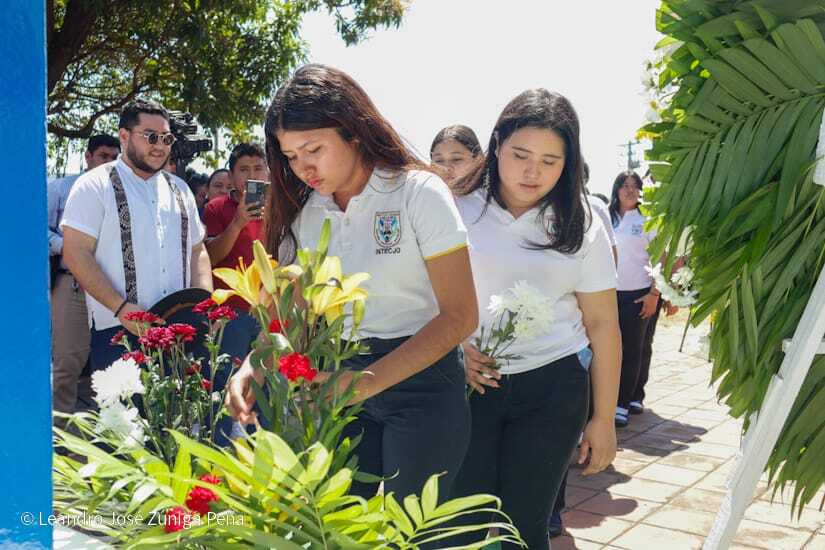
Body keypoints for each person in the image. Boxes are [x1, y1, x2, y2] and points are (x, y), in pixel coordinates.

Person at [225, 64, 477, 512]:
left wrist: (360, 384)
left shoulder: (418, 193)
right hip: (335, 373)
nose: (303, 167)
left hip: (420, 377)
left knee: (415, 531)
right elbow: (293, 315)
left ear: (353, 131)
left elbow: (459, 316)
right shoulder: (308, 215)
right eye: (289, 156)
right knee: (336, 525)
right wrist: (253, 364)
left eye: (313, 149)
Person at [449, 89, 621, 550]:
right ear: (497, 145)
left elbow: (603, 324)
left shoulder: (581, 221)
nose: (533, 172)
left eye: (550, 161)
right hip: (469, 385)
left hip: (553, 389)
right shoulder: (455, 208)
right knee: (458, 523)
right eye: (521, 155)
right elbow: (422, 298)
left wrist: (603, 417)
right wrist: (452, 351)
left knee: (522, 527)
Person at [61, 98, 212, 374]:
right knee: (124, 417)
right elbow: (75, 252)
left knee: (180, 415)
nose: (159, 146)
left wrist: (203, 306)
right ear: (123, 136)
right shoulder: (94, 185)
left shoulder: (180, 189)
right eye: (151, 136)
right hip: (119, 330)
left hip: (178, 331)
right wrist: (122, 309)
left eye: (166, 138)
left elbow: (197, 250)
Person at [49, 134, 120, 416]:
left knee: (111, 363)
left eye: (115, 156)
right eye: (103, 156)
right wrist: (66, 247)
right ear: (88, 157)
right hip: (73, 284)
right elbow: (36, 227)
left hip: (114, 288)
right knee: (67, 363)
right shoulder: (62, 188)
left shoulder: (124, 192)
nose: (109, 162)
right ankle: (59, 444)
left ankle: (104, 441)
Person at [202, 143, 269, 375]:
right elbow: (209, 257)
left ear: (267, 171)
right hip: (230, 312)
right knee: (228, 382)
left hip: (268, 309)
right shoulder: (215, 208)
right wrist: (238, 223)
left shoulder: (279, 208)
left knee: (267, 385)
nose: (252, 175)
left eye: (258, 168)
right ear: (231, 175)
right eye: (244, 169)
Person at [609, 170, 658, 427]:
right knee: (608, 349)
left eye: (634, 186)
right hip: (607, 294)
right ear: (616, 189)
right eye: (624, 185)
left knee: (633, 348)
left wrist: (654, 294)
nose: (629, 190)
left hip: (638, 293)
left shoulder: (647, 219)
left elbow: (662, 257)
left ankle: (623, 403)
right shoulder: (607, 218)